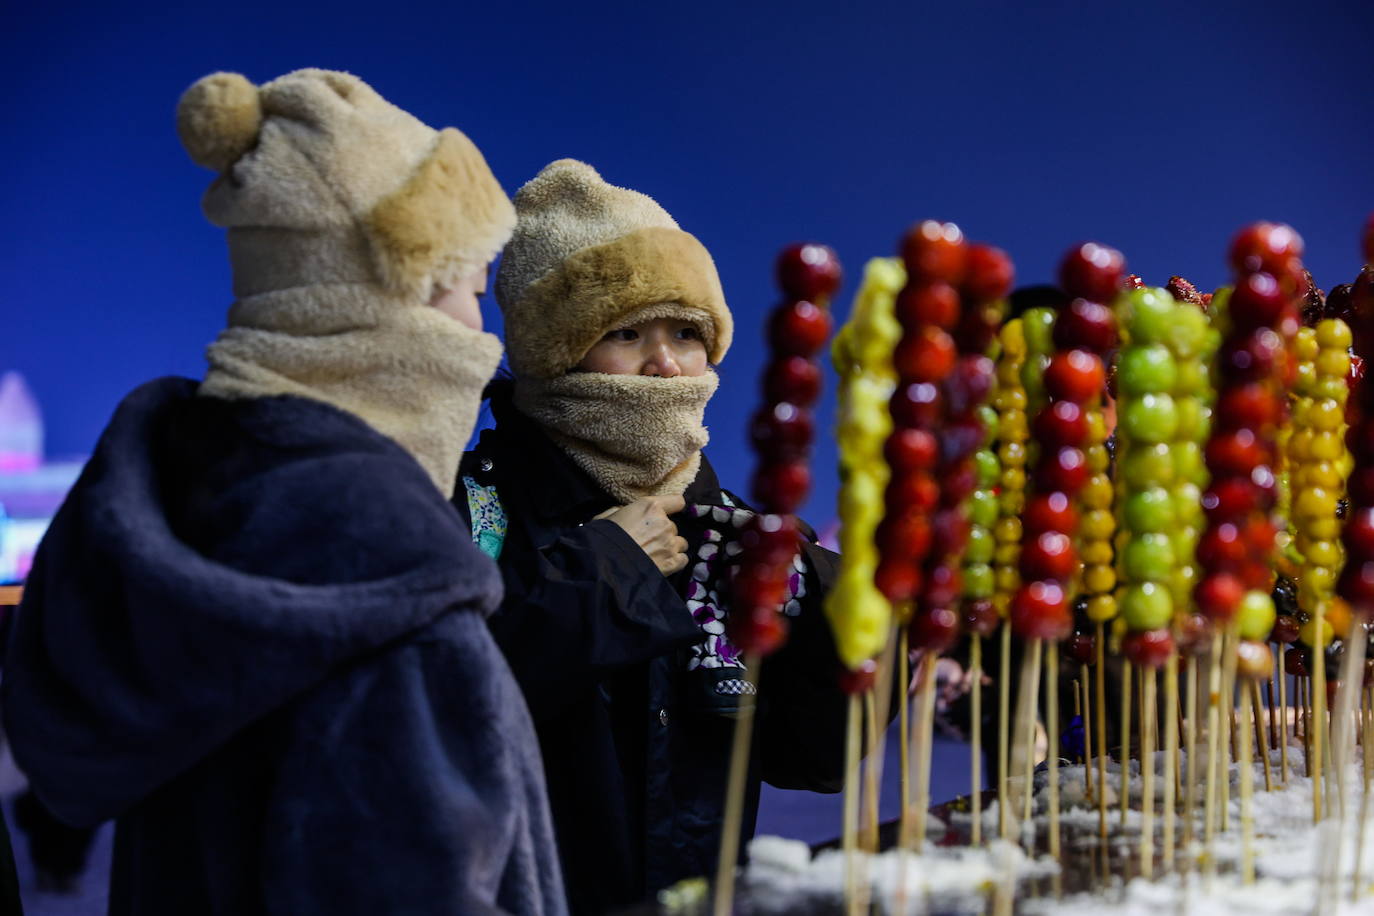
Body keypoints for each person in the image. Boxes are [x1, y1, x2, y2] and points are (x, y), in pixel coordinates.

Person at [2, 69, 564, 915]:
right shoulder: (390, 575)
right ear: (389, 301)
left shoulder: (188, 515)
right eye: (470, 291)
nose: (480, 335)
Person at [456, 159, 855, 914]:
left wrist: (830, 603)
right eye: (626, 332)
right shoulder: (472, 506)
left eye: (686, 333)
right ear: (555, 352)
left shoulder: (747, 530)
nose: (666, 365)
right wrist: (605, 575)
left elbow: (815, 758)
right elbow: (445, 715)